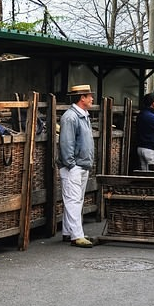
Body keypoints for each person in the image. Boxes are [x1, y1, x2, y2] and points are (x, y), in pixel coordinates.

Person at [59, 84, 96, 248]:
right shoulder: (71, 117)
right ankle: (77, 235)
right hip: (74, 166)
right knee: (73, 200)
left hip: (81, 164)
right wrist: (71, 164)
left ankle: (68, 231)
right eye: (90, 96)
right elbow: (66, 143)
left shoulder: (82, 116)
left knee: (75, 200)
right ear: (82, 98)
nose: (92, 98)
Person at [135, 92, 154, 171]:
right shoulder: (151, 116)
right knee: (152, 173)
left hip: (140, 147)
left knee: (144, 173)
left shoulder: (141, 114)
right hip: (150, 148)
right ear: (153, 103)